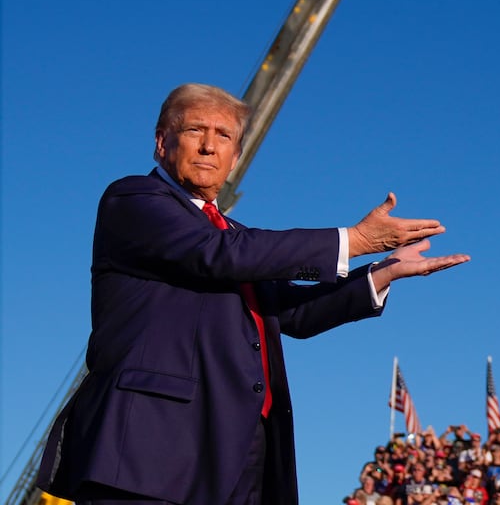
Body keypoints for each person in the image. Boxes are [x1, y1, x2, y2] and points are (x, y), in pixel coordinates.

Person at [37, 83, 471, 505]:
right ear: (161, 143)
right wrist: (351, 240)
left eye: (223, 135)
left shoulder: (237, 239)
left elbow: (292, 311)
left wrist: (378, 273)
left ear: (235, 158)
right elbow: (216, 254)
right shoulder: (134, 199)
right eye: (194, 131)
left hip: (242, 454)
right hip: (150, 452)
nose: (209, 146)